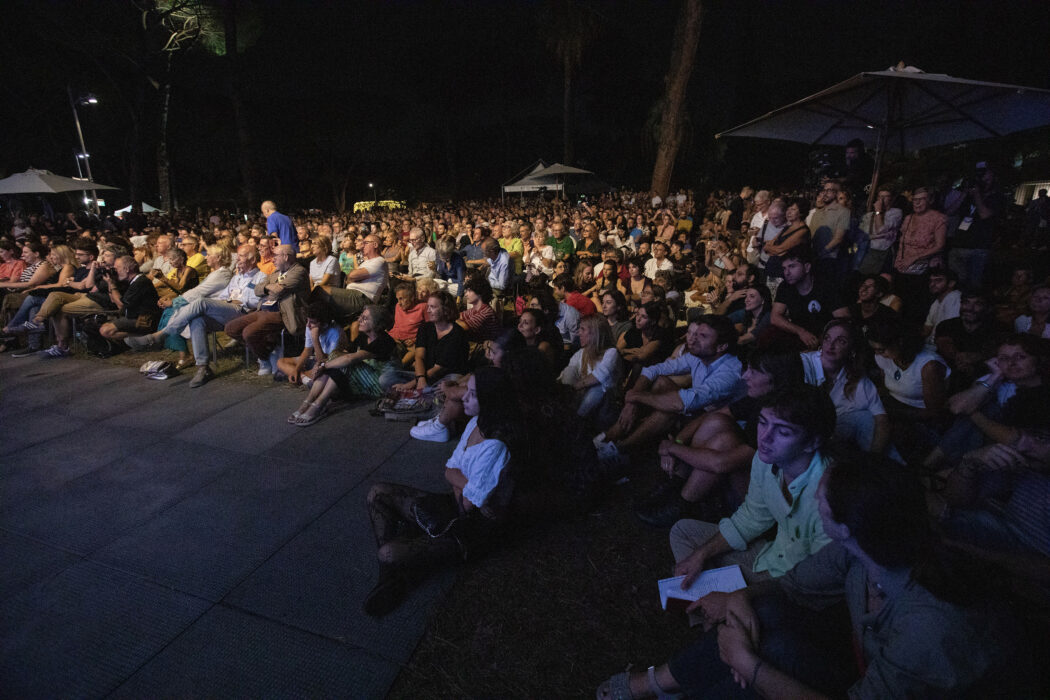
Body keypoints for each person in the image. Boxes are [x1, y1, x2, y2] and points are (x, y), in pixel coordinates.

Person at [603, 452, 1028, 699]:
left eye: (822, 497)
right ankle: (659, 684)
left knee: (760, 658)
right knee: (763, 621)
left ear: (842, 524)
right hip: (864, 664)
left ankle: (668, 687)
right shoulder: (862, 551)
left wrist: (748, 665)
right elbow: (791, 587)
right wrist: (740, 599)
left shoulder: (929, 626)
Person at [363, 366, 521, 616]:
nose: (464, 398)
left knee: (388, 551)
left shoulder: (496, 445)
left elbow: (469, 505)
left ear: (491, 400)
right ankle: (390, 577)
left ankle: (394, 575)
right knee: (377, 493)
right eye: (466, 392)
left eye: (472, 395)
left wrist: (460, 485)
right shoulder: (474, 425)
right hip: (452, 505)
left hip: (469, 530)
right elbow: (449, 470)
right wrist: (462, 483)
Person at [637, 349, 805, 529]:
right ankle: (676, 484)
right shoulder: (763, 398)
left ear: (778, 378)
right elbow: (714, 415)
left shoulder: (783, 417)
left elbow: (722, 463)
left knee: (725, 443)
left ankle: (684, 504)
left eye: (754, 372)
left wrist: (672, 448)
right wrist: (678, 441)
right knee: (716, 421)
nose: (745, 376)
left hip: (767, 505)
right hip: (746, 479)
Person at [595, 315, 744, 462]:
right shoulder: (699, 355)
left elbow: (682, 402)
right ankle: (611, 436)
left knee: (669, 409)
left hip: (720, 423)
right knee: (661, 382)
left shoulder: (730, 372)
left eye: (702, 336)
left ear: (722, 346)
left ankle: (621, 449)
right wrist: (631, 402)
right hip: (699, 410)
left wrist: (635, 396)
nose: (693, 339)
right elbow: (653, 370)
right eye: (695, 334)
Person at [125, 244, 265, 387]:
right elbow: (224, 296)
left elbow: (255, 301)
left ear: (252, 259)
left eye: (241, 256)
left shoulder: (261, 277)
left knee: (200, 302)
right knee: (197, 320)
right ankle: (203, 368)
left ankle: (161, 335)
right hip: (227, 311)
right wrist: (228, 300)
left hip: (243, 313)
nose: (238, 259)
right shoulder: (237, 277)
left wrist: (233, 300)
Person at [867, 319, 950, 465]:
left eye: (882, 349)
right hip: (894, 406)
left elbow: (935, 412)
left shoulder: (928, 365)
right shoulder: (883, 358)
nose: (878, 354)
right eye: (875, 350)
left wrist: (892, 413)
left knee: (892, 432)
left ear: (900, 342)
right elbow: (885, 388)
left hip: (922, 418)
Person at [801, 319, 888, 452]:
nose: (831, 345)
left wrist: (874, 457)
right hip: (798, 433)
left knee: (866, 418)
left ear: (852, 350)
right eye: (827, 338)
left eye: (841, 341)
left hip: (830, 436)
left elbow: (881, 417)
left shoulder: (855, 376)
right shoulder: (804, 364)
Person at [224, 244, 309, 375]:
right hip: (263, 309)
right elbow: (257, 290)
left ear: (286, 257)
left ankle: (263, 358)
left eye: (275, 256)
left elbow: (279, 290)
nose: (272, 259)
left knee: (248, 333)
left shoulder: (298, 271)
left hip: (282, 313)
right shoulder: (275, 273)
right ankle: (271, 350)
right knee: (231, 328)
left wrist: (268, 287)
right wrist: (269, 287)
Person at [381, 291, 469, 394]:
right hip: (424, 374)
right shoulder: (425, 327)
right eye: (428, 306)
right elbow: (419, 357)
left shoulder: (457, 334)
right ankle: (424, 392)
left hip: (445, 375)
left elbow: (438, 369)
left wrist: (410, 384)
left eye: (433, 307)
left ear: (446, 310)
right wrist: (421, 378)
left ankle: (421, 392)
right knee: (385, 378)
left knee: (452, 380)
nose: (428, 310)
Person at [769, 247, 849, 350]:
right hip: (799, 336)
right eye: (784, 268)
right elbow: (775, 317)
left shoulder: (826, 285)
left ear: (807, 267)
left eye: (792, 267)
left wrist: (824, 338)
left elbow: (844, 317)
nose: (787, 273)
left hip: (826, 339)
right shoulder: (785, 287)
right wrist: (801, 332)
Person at [894, 186, 947, 320]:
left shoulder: (938, 218)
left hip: (922, 269)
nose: (917, 203)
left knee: (915, 308)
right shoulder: (908, 218)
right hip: (903, 267)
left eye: (921, 199)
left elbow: (940, 245)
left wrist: (914, 258)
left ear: (930, 200)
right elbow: (902, 242)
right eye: (915, 200)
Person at [558, 314, 622, 420]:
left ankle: (575, 420)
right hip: (582, 401)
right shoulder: (581, 353)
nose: (579, 333)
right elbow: (566, 375)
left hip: (606, 407)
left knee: (597, 389)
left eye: (583, 329)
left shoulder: (611, 353)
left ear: (595, 333)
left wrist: (573, 388)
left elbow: (599, 376)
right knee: (569, 371)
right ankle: (566, 415)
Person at [274, 298, 346, 385]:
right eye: (307, 320)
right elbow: (307, 350)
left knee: (317, 372)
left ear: (323, 324)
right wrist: (296, 370)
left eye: (312, 322)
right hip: (314, 359)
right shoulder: (310, 326)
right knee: (281, 362)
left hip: (327, 364)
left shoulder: (335, 333)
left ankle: (299, 377)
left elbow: (324, 361)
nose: (308, 325)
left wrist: (315, 339)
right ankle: (302, 377)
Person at [321, 234, 388, 322]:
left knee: (321, 290)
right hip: (353, 295)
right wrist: (351, 278)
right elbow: (349, 278)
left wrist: (351, 278)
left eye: (366, 243)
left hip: (361, 297)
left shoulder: (379, 261)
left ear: (375, 245)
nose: (362, 245)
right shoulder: (366, 262)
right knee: (323, 305)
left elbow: (351, 275)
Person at [96, 256, 161, 344]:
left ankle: (142, 338)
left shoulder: (140, 282)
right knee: (103, 326)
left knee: (105, 330)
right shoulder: (132, 282)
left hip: (144, 320)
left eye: (116, 268)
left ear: (127, 269)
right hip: (134, 317)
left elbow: (121, 305)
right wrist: (110, 283)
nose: (115, 271)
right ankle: (136, 338)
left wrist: (112, 283)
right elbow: (113, 300)